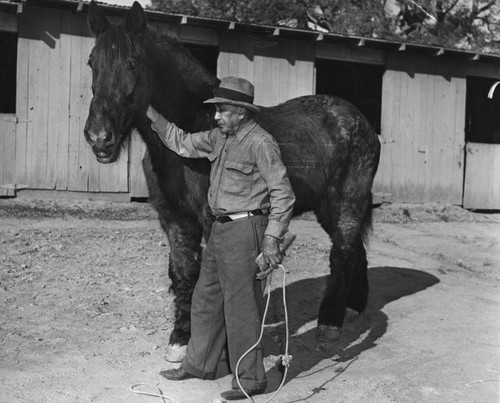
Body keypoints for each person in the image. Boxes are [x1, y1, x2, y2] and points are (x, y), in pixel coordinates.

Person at [146, 76, 295, 401]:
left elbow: (283, 194)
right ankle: (198, 365)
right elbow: (181, 141)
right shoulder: (219, 138)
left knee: (241, 307)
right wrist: (151, 113)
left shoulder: (261, 143)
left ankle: (252, 379)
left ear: (240, 112)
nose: (216, 116)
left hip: (247, 229)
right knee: (205, 297)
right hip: (220, 229)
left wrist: (271, 239)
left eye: (222, 110)